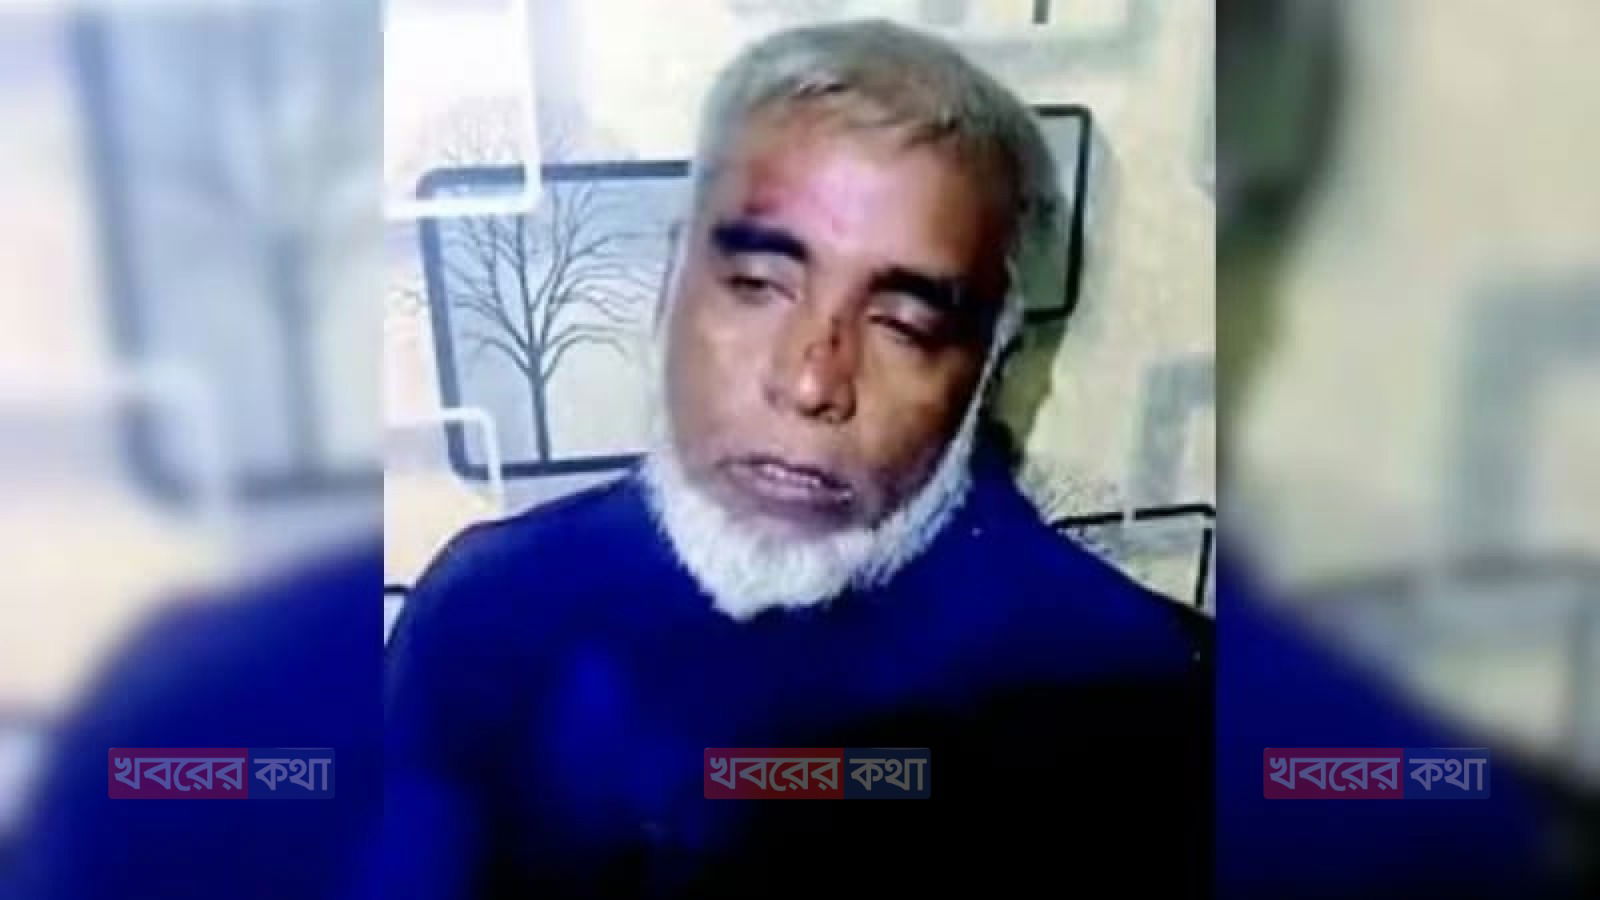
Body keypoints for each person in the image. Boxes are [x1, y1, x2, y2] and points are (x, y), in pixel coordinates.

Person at [379, 20, 1211, 899]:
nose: (813, 381)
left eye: (904, 324)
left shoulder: (1133, 692)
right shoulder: (487, 617)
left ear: (990, 366)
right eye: (758, 286)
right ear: (669, 287)